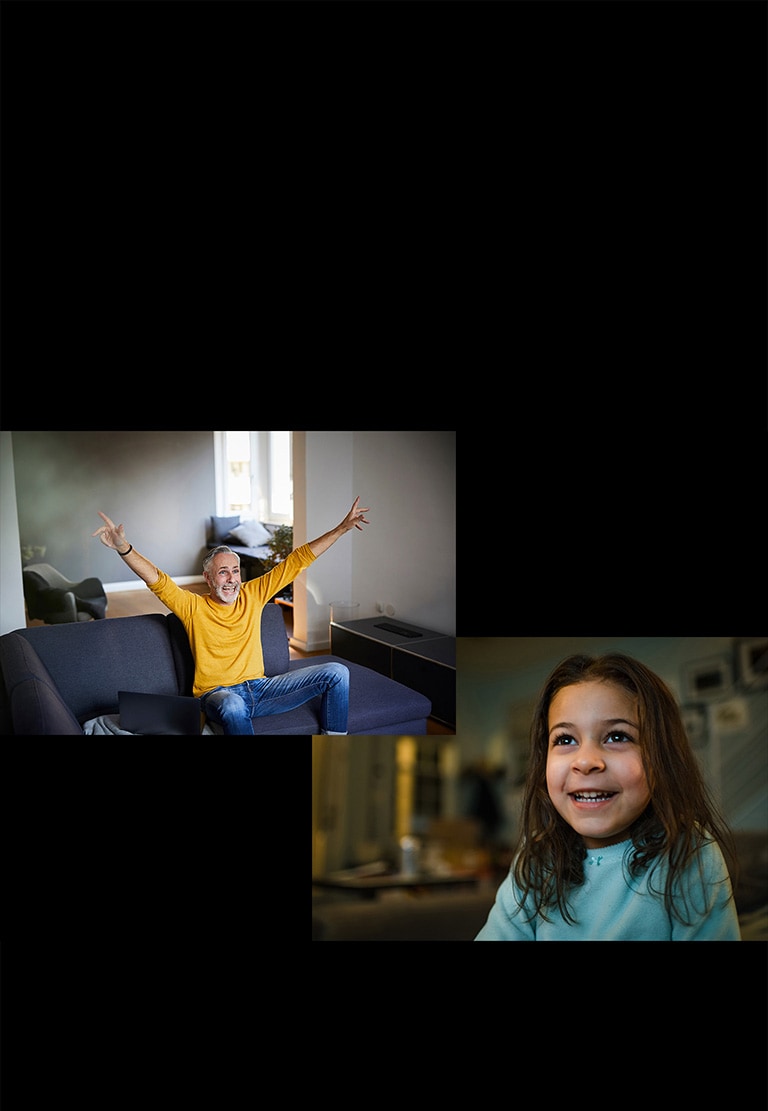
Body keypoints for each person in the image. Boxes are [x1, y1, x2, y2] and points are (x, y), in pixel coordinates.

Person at [475, 653, 741, 941]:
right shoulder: (538, 854)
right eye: (565, 739)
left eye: (617, 736)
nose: (586, 761)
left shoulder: (688, 852)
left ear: (660, 757)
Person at [92, 498, 370, 735]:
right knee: (233, 705)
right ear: (208, 578)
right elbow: (157, 580)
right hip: (218, 697)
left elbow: (298, 560)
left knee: (337, 672)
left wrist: (342, 529)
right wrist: (123, 548)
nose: (231, 579)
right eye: (223, 572)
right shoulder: (193, 607)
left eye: (235, 571)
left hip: (262, 691)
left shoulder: (254, 593)